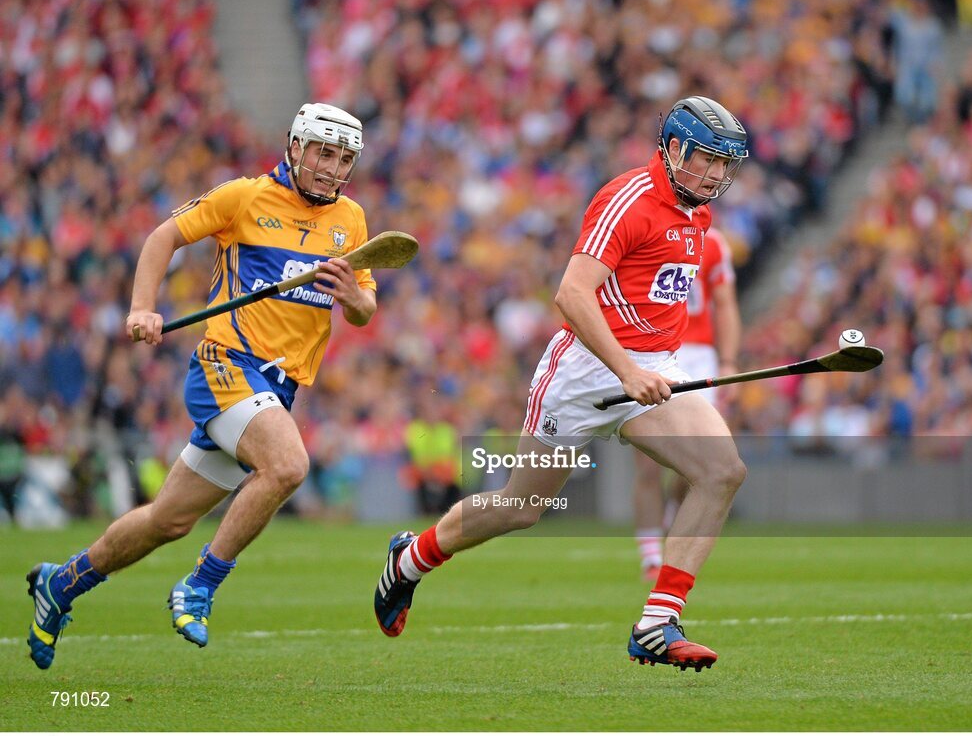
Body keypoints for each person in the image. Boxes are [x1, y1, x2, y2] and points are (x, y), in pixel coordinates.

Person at [374, 96, 749, 672]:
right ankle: (410, 560)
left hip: (655, 369)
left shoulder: (698, 211)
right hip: (586, 371)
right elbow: (571, 295)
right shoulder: (628, 199)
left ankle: (657, 622)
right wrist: (628, 369)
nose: (717, 175)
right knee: (521, 508)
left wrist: (655, 365)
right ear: (673, 149)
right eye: (707, 160)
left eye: (726, 165)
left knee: (722, 471)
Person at [26, 103, 378, 670]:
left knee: (167, 519)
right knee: (288, 465)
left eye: (343, 158)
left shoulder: (352, 221)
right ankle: (200, 585)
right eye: (322, 152)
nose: (332, 167)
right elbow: (164, 236)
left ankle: (60, 584)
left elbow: (363, 306)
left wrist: (357, 300)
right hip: (226, 364)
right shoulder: (243, 197)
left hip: (277, 389)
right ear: (294, 146)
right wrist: (143, 307)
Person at [633, 223, 741, 578]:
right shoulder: (648, 230)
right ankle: (650, 552)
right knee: (648, 460)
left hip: (698, 358)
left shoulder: (714, 243)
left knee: (698, 461)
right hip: (655, 350)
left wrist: (728, 361)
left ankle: (672, 525)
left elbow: (724, 305)